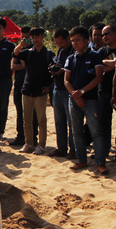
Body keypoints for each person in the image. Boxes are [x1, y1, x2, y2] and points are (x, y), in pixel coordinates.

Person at [64, 26, 108, 174]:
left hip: (91, 99)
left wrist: (82, 92)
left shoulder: (95, 56)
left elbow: (99, 77)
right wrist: (75, 96)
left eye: (78, 40)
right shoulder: (71, 58)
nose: (75, 43)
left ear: (86, 40)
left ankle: (100, 163)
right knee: (76, 131)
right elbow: (66, 80)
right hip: (74, 100)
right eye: (73, 40)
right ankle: (81, 160)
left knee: (95, 131)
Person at [13, 27, 55, 155]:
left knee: (41, 120)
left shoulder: (49, 54)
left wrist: (49, 86)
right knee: (27, 120)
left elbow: (55, 71)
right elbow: (14, 54)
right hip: (27, 90)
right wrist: (20, 45)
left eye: (37, 36)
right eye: (33, 37)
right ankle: (29, 143)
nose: (35, 39)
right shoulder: (27, 52)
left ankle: (41, 145)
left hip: (40, 92)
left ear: (43, 36)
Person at [50, 28, 75, 158]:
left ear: (68, 39)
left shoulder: (74, 51)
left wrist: (63, 70)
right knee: (59, 121)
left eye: (62, 42)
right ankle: (61, 148)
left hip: (68, 90)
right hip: (57, 88)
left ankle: (73, 149)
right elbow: (58, 65)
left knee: (72, 122)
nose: (60, 45)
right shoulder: (60, 51)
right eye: (57, 43)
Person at [11, 27, 37, 146]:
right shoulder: (19, 49)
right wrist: (26, 65)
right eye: (23, 37)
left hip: (32, 85)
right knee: (19, 112)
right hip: (19, 84)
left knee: (33, 113)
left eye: (28, 37)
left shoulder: (35, 49)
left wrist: (24, 65)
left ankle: (33, 137)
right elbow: (13, 66)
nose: (25, 40)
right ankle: (20, 136)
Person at [97, 24, 116, 156]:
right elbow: (99, 68)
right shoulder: (101, 51)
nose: (104, 36)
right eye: (103, 34)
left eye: (107, 33)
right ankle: (103, 150)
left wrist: (114, 66)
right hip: (103, 90)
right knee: (103, 123)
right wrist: (114, 65)